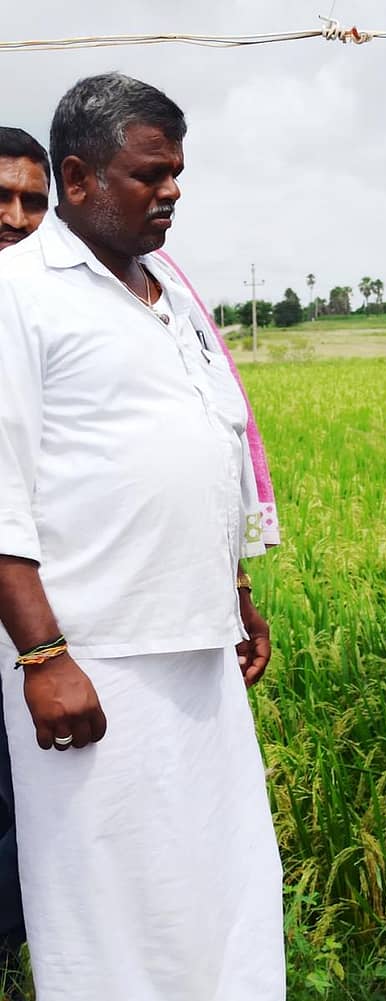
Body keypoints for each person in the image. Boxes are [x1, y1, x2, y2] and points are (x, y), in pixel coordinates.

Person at [0, 73, 285, 1000]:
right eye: (148, 175)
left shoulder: (167, 288)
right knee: (109, 900)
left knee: (221, 880)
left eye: (177, 175)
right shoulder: (16, 291)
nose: (170, 192)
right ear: (76, 178)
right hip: (94, 654)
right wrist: (43, 653)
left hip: (198, 647)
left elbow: (214, 441)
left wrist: (235, 592)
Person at [0, 126, 50, 988]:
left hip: (29, 603)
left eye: (33, 203)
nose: (14, 217)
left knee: (17, 795)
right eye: (0, 199)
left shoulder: (52, 307)